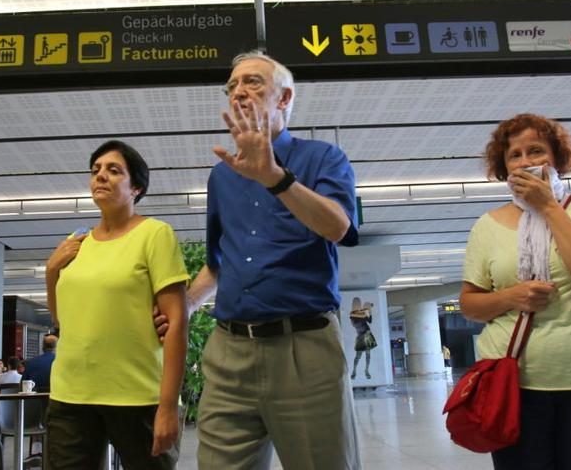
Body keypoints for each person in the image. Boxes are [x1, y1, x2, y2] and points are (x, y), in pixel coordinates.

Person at [186, 50, 361, 469]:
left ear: (283, 99)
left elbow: (337, 227)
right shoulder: (222, 174)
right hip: (229, 351)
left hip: (303, 349)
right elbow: (219, 260)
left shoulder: (323, 158)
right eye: (232, 86)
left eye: (252, 82)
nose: (238, 92)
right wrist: (188, 303)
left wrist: (275, 178)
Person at [459, 113, 571, 469]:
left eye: (536, 151)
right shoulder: (487, 226)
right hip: (516, 387)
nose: (526, 162)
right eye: (515, 155)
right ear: (504, 166)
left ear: (556, 158)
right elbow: (470, 304)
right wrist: (510, 297)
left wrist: (548, 208)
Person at [44, 140, 189, 469]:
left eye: (113, 170)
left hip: (138, 396)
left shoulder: (155, 234)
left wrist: (167, 407)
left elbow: (177, 323)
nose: (101, 177)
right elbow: (63, 320)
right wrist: (52, 271)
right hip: (71, 395)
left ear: (136, 186)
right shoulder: (75, 242)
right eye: (95, 171)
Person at [349, 298, 377, 380]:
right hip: (362, 336)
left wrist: (369, 311)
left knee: (367, 355)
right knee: (358, 356)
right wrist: (366, 310)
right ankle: (354, 371)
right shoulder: (353, 315)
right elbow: (357, 324)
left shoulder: (360, 313)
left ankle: (366, 370)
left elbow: (370, 321)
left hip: (367, 334)